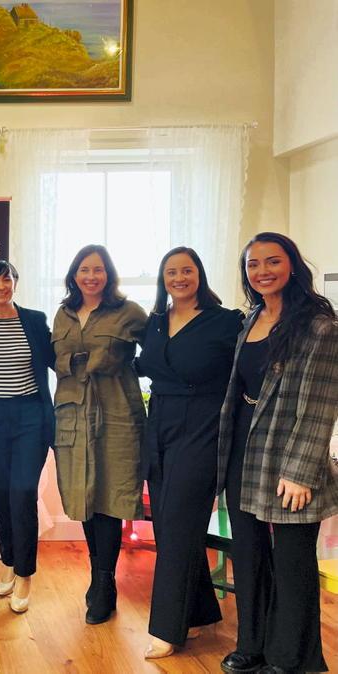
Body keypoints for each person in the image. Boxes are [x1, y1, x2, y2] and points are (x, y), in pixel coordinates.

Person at [217, 233, 338, 674]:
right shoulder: (252, 318)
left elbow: (321, 404)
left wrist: (301, 471)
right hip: (243, 449)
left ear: (292, 266)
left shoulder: (319, 327)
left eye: (272, 261)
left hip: (290, 455)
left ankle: (292, 659)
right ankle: (253, 644)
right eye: (253, 264)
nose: (262, 271)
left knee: (291, 563)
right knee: (248, 554)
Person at [135, 247, 243, 659]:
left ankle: (167, 629)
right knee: (167, 525)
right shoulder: (155, 322)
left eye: (187, 270)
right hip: (159, 423)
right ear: (163, 279)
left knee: (180, 523)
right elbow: (144, 365)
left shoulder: (226, 321)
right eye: (171, 272)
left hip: (203, 425)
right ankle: (198, 613)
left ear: (200, 274)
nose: (179, 278)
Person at [52, 244, 147, 625]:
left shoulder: (129, 312)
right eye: (84, 270)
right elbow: (52, 358)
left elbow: (158, 353)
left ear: (108, 274)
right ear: (74, 275)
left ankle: (105, 584)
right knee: (83, 498)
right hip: (73, 416)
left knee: (110, 498)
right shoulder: (63, 313)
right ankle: (98, 576)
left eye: (98, 269)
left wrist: (127, 366)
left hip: (116, 415)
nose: (91, 276)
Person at [0, 260, 54, 613]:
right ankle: (8, 560)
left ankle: (25, 573)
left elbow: (58, 359)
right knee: (1, 494)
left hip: (30, 417)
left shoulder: (34, 320)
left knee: (22, 493)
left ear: (16, 283)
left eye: (7, 279)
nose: (1, 286)